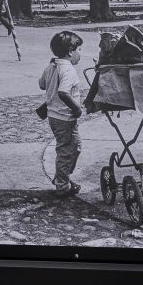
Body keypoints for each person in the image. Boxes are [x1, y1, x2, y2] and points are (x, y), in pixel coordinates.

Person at [39, 31, 84, 197]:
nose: (80, 54)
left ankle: (61, 177)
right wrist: (77, 109)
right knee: (67, 151)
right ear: (71, 52)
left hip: (54, 116)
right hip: (65, 118)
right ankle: (62, 185)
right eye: (79, 49)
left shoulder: (52, 66)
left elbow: (42, 85)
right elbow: (64, 92)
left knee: (74, 148)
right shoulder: (68, 70)